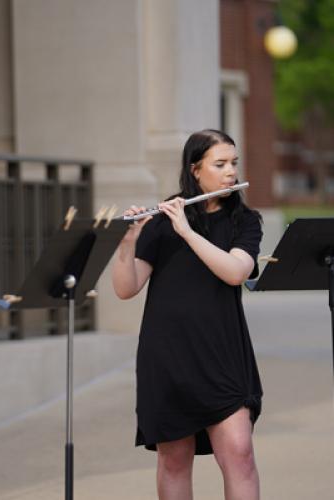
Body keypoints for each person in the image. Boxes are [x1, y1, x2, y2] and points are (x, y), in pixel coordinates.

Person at [112, 129, 263, 500]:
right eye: (220, 164)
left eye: (234, 163)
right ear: (195, 170)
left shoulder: (245, 221)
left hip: (223, 355)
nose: (230, 172)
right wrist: (126, 244)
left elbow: (235, 271)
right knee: (174, 462)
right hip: (168, 357)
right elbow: (126, 288)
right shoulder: (163, 220)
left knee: (240, 455)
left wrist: (188, 232)